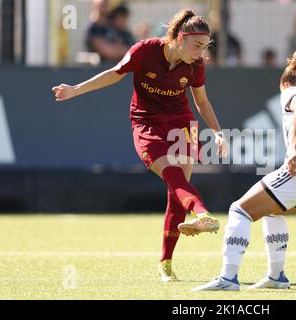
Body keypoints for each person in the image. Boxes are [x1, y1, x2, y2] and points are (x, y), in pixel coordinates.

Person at [53, 9, 229, 282]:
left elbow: (202, 102)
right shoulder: (144, 51)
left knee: (176, 192)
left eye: (205, 47)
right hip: (145, 123)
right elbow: (114, 73)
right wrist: (76, 89)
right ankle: (203, 213)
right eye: (197, 45)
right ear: (180, 38)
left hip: (181, 124)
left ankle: (166, 264)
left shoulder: (195, 65)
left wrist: (218, 132)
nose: (201, 52)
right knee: (174, 175)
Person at [193, 51, 296, 291]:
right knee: (273, 211)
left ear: (284, 83)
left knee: (239, 210)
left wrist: (293, 149)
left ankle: (228, 278)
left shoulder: (293, 92)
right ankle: (276, 276)